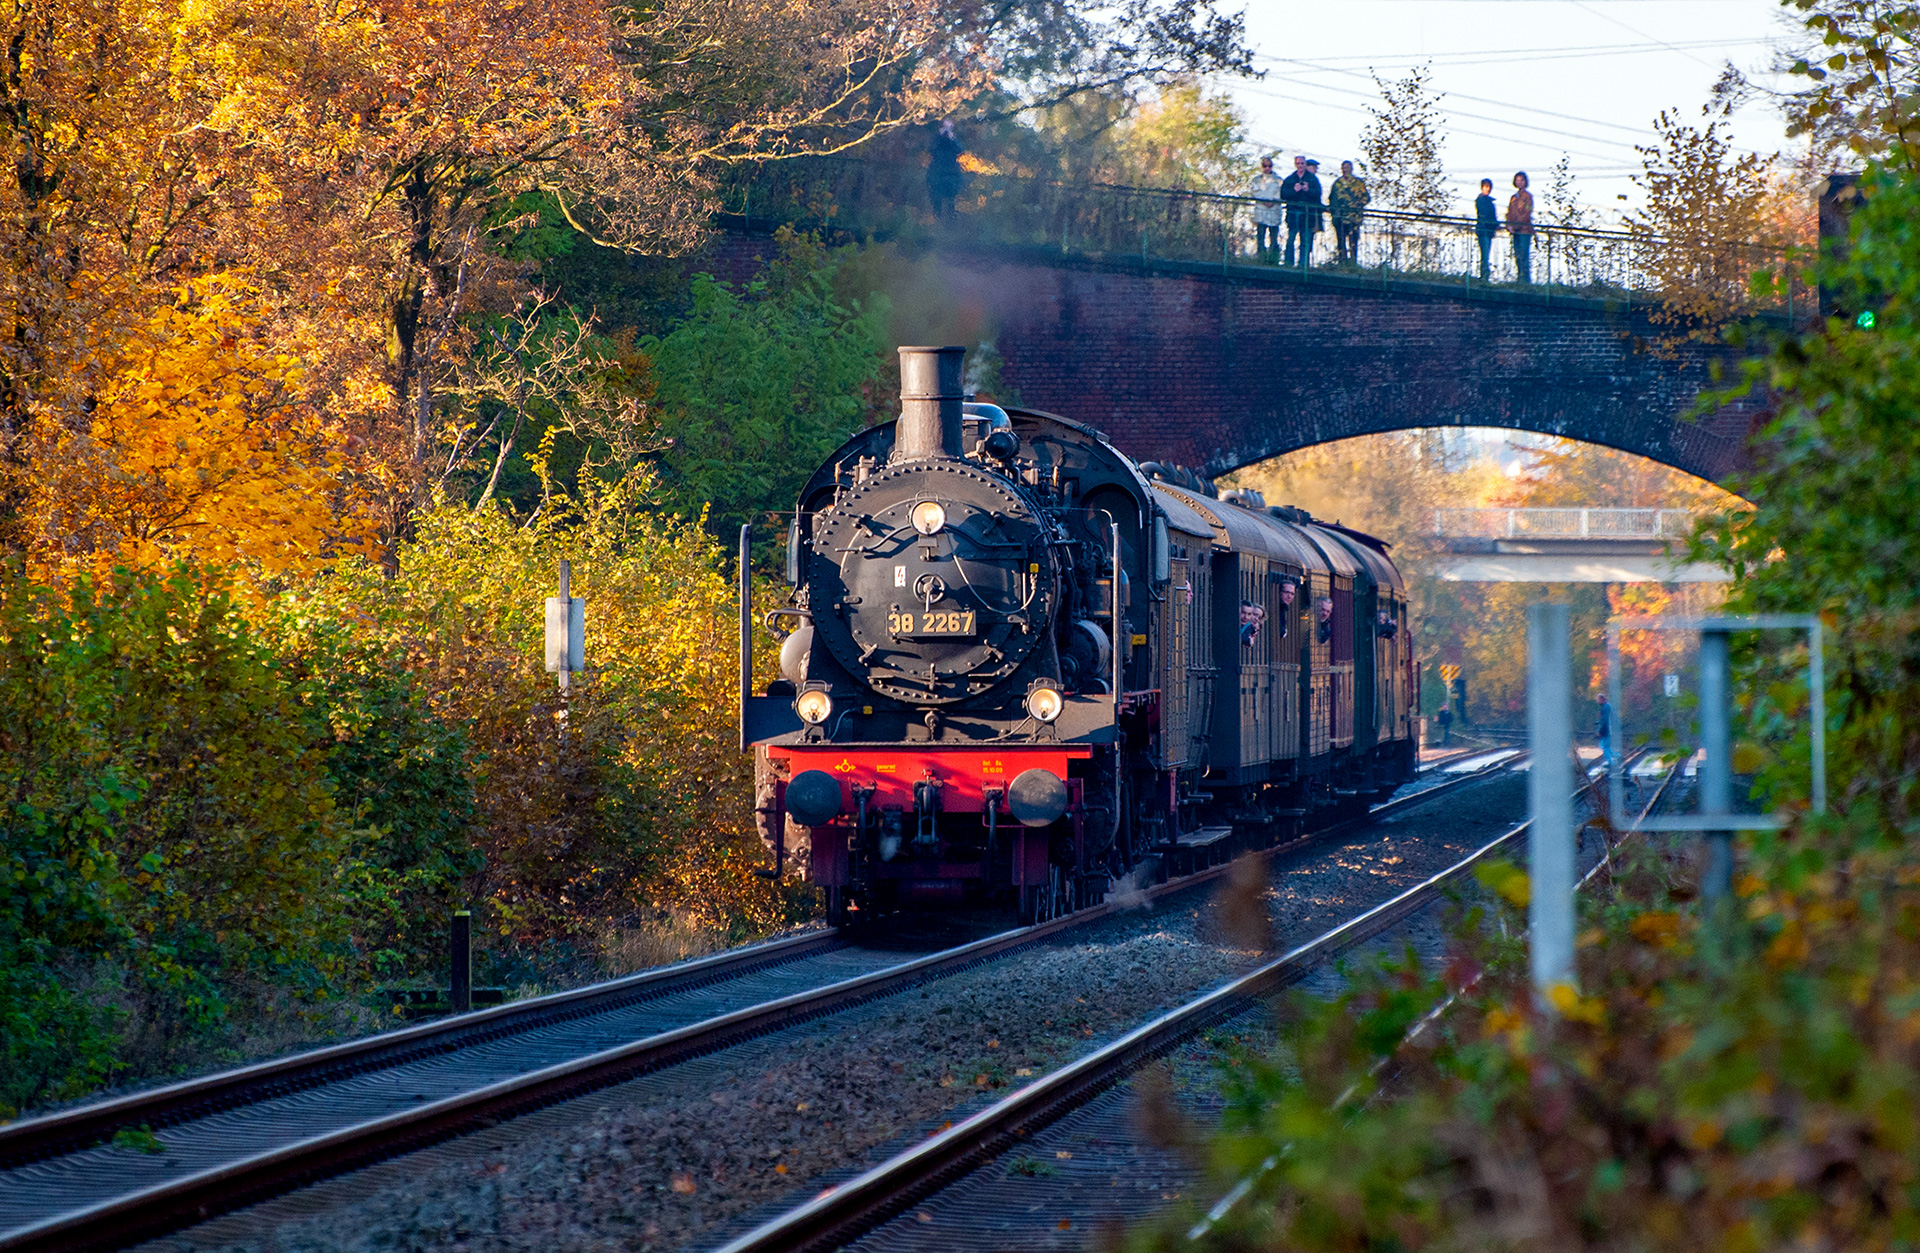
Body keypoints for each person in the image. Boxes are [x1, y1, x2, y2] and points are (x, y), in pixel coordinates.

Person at [1282, 155, 1322, 268]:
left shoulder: (1312, 179)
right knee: (1291, 239)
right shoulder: (1290, 179)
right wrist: (1294, 191)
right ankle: (1288, 263)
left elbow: (1317, 194)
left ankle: (1303, 265)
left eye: (1302, 164)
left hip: (1307, 214)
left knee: (1305, 240)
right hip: (1293, 213)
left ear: (1305, 164)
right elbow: (1283, 194)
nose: (1300, 166)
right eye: (1298, 164)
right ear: (1295, 164)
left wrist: (1308, 190)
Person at [1328, 160, 1369, 263]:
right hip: (1340, 218)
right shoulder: (1337, 184)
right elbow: (1332, 199)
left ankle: (1353, 263)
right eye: (1344, 168)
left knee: (1353, 242)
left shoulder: (1358, 183)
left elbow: (1366, 198)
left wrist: (1356, 205)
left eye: (1347, 168)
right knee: (1341, 242)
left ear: (1351, 169)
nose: (1345, 170)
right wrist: (1334, 212)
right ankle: (1342, 262)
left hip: (1353, 218)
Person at [1249, 156, 1283, 263]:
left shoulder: (1279, 180)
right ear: (1261, 167)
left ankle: (1273, 259)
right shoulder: (1256, 180)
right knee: (1260, 236)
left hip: (1274, 211)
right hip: (1261, 211)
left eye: (1269, 166)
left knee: (1273, 237)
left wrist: (1273, 201)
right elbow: (1255, 192)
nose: (1267, 168)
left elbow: (1281, 193)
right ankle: (1260, 258)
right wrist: (1264, 200)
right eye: (1265, 166)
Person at [928, 120, 963, 219]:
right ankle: (936, 213)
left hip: (951, 171)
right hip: (938, 170)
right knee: (936, 193)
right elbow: (931, 150)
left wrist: (952, 139)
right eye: (945, 128)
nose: (947, 131)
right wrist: (941, 137)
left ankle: (951, 213)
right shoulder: (936, 139)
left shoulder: (953, 140)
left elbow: (960, 150)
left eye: (949, 128)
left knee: (951, 193)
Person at [1507, 170, 1534, 284]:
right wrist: (1508, 225)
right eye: (1517, 180)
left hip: (1524, 230)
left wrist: (1516, 226)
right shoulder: (1513, 197)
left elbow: (1526, 213)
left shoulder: (1528, 197)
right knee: (1517, 255)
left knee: (1524, 255)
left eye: (1521, 180)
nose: (1519, 182)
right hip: (1515, 231)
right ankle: (1520, 278)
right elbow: (1510, 212)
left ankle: (1525, 280)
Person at [1474, 178, 1498, 280]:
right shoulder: (1482, 201)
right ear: (1482, 188)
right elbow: (1486, 216)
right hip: (1484, 230)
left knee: (1485, 253)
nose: (1487, 189)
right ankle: (1484, 275)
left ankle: (1484, 275)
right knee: (1485, 254)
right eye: (1485, 187)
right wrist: (1495, 224)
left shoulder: (1486, 201)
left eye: (1488, 187)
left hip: (1487, 230)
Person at [1595, 694, 1614, 769]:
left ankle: (1611, 762)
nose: (1597, 701)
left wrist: (1600, 730)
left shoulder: (1605, 707)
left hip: (1606, 730)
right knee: (1605, 746)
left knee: (1604, 747)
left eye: (1597, 699)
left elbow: (1605, 720)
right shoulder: (1606, 706)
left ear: (1601, 699)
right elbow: (1603, 718)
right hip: (1607, 729)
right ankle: (1617, 758)